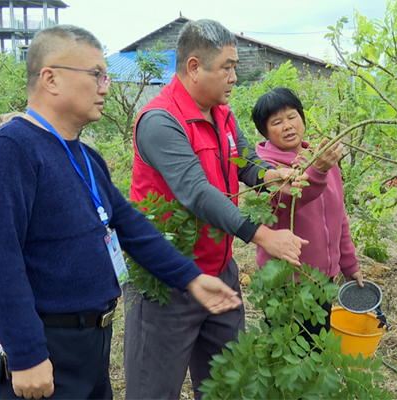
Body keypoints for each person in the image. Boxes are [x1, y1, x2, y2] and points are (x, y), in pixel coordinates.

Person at [0, 24, 241, 400]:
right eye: (96, 74)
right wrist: (26, 353)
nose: (106, 87)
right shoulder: (8, 153)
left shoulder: (84, 155)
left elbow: (130, 227)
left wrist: (190, 278)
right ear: (51, 79)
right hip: (44, 344)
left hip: (91, 341)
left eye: (106, 75)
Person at [125, 19, 308, 400]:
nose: (234, 77)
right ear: (194, 67)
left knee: (228, 386)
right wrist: (261, 234)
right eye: (227, 67)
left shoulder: (223, 114)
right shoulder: (161, 121)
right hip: (169, 280)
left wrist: (272, 175)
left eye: (234, 66)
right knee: (154, 391)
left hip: (220, 271)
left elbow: (243, 161)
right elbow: (195, 191)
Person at [252, 87, 364, 338]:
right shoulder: (264, 170)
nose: (288, 126)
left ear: (302, 118)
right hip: (286, 282)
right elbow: (288, 199)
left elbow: (339, 217)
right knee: (285, 350)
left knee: (316, 345)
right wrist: (318, 172)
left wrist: (349, 264)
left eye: (292, 116)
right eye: (276, 122)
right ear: (265, 131)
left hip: (323, 279)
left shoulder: (320, 158)